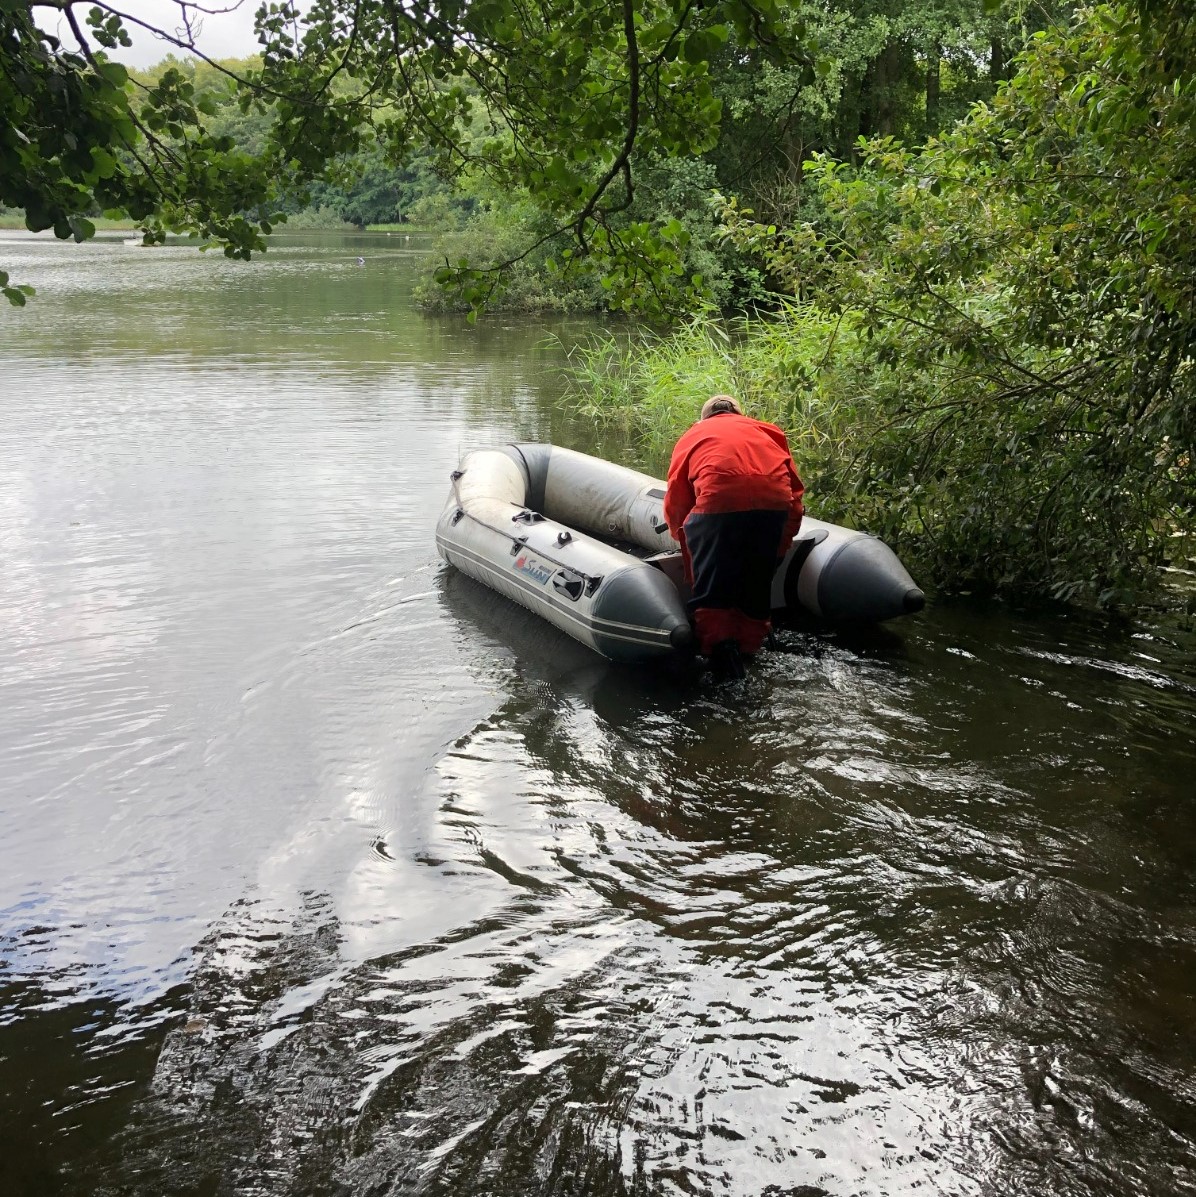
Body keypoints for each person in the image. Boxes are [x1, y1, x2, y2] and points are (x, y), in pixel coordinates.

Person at [664, 395, 805, 677]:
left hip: (719, 503)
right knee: (756, 587)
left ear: (703, 418)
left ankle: (720, 660)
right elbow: (795, 495)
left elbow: (676, 500)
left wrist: (686, 539)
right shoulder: (768, 431)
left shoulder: (693, 435)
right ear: (740, 414)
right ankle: (751, 651)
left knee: (712, 593)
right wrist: (779, 547)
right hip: (773, 504)